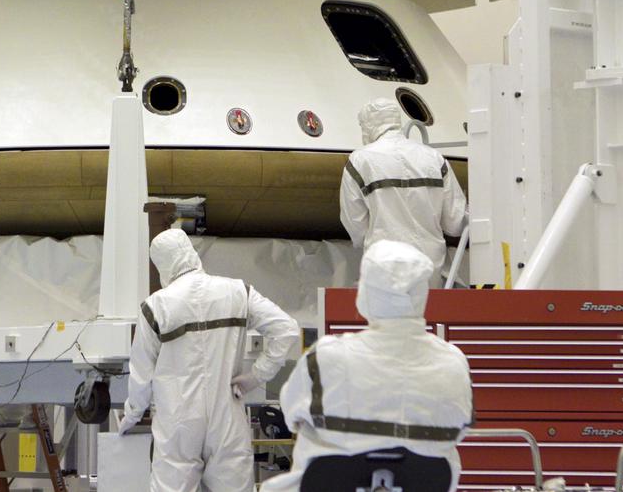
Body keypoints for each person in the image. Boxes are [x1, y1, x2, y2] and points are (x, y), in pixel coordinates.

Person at [264, 240, 473, 492]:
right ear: (422, 295)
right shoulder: (453, 363)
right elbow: (461, 429)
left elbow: (291, 414)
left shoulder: (327, 357)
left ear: (367, 294)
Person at [118, 228, 300, 492]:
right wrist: (257, 375)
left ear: (161, 265)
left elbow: (141, 374)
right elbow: (287, 329)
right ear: (191, 253)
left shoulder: (155, 307)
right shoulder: (238, 291)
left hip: (177, 424)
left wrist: (131, 416)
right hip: (227, 417)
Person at [339, 98, 467, 274]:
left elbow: (355, 223)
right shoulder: (435, 158)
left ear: (369, 124)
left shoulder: (360, 160)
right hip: (430, 267)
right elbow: (454, 222)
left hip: (384, 267)